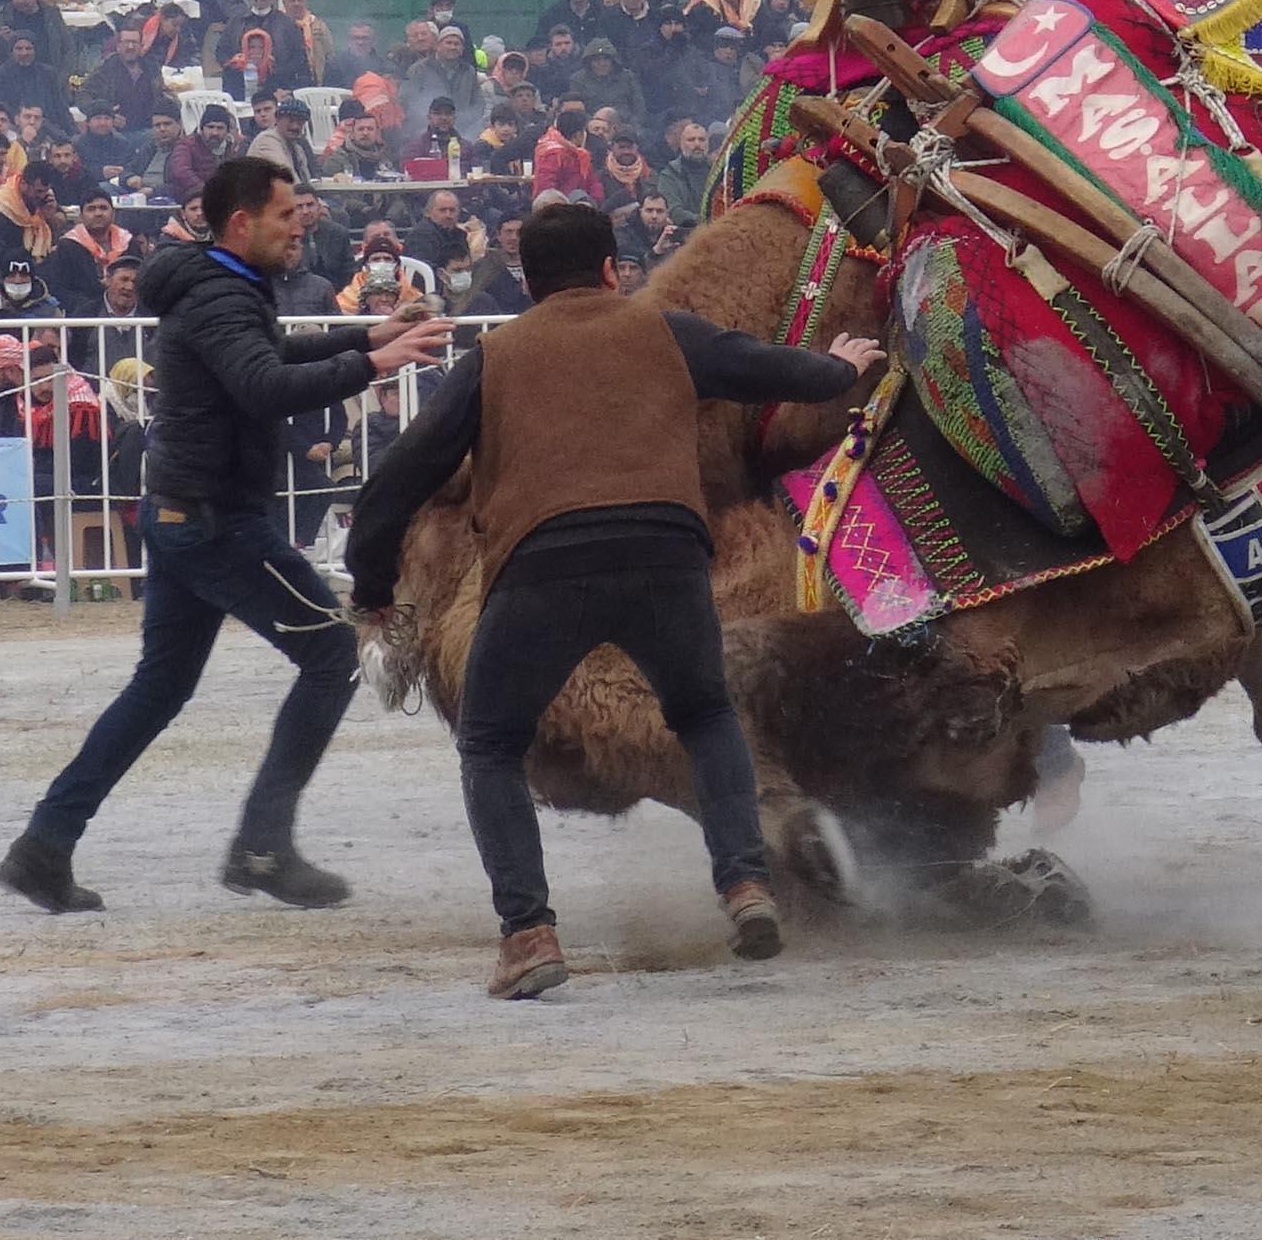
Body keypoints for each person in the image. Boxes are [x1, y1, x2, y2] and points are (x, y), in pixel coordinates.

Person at [344, 202, 883, 998]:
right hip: (665, 555)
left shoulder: (495, 358)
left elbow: (398, 480)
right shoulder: (668, 331)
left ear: (526, 280)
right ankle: (744, 885)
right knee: (704, 716)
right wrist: (839, 366)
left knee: (491, 742)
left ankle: (528, 934)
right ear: (612, 269)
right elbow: (771, 367)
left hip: (539, 566)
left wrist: (372, 587)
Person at [0, 157, 455, 917]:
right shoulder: (219, 294)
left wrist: (367, 333)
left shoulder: (218, 284)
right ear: (240, 221)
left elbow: (264, 353)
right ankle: (262, 845)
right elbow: (266, 385)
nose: (300, 226)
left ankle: (45, 845)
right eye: (285, 214)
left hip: (184, 511)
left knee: (158, 689)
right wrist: (372, 360)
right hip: (214, 520)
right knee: (334, 653)